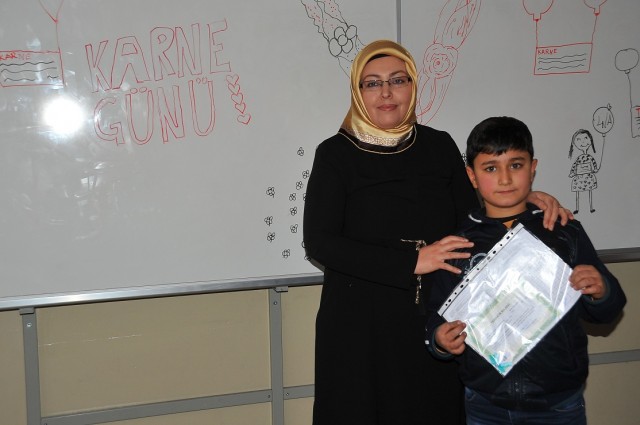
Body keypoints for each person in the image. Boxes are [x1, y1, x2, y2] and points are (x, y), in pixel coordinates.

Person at [303, 40, 571, 425]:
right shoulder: (335, 154)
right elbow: (321, 242)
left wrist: (520, 199)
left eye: (398, 80)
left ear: (412, 86)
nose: (386, 92)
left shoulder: (438, 145)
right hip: (360, 327)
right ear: (358, 92)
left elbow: (473, 218)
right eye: (372, 83)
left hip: (434, 320)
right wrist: (412, 261)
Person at [425, 116, 626, 425]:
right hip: (485, 404)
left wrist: (601, 291)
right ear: (472, 176)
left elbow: (607, 310)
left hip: (558, 404)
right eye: (491, 168)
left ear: (533, 168)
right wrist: (440, 340)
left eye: (516, 165)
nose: (505, 178)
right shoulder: (458, 245)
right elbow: (436, 318)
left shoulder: (563, 232)